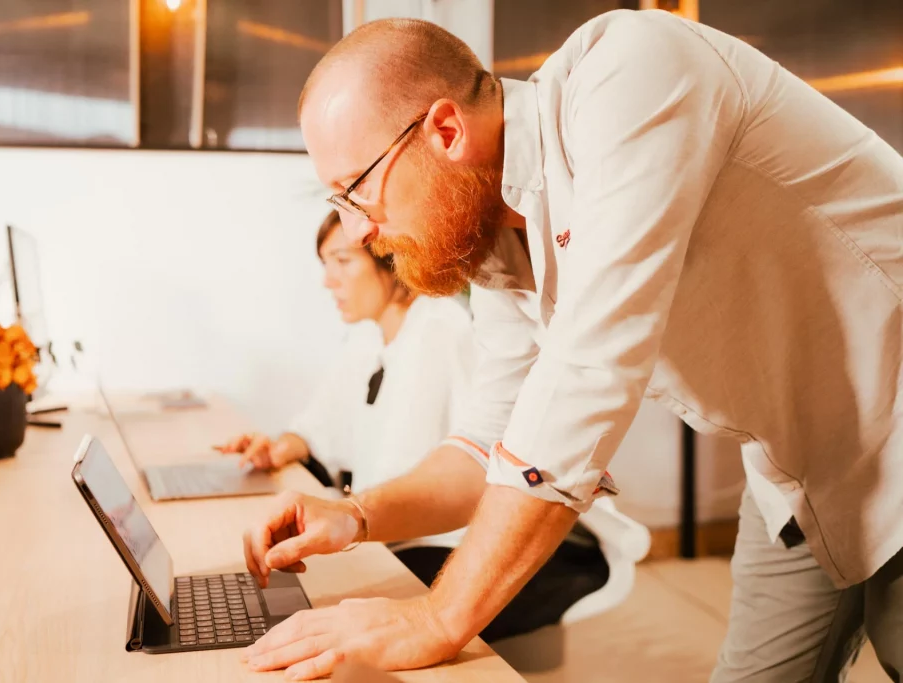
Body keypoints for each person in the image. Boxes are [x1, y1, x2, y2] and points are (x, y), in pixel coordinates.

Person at [241, 9, 903, 682]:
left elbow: (592, 373)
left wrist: (436, 619)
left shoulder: (631, 73)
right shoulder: (498, 237)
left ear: (444, 130)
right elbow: (486, 442)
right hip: (797, 464)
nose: (357, 233)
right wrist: (356, 515)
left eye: (356, 190)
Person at [220, 210, 634, 643]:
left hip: (468, 535)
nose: (328, 280)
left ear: (389, 258)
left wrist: (349, 515)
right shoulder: (369, 337)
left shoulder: (439, 329)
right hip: (420, 528)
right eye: (324, 264)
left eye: (342, 261)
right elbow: (321, 425)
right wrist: (281, 446)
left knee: (330, 600)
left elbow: (436, 469)